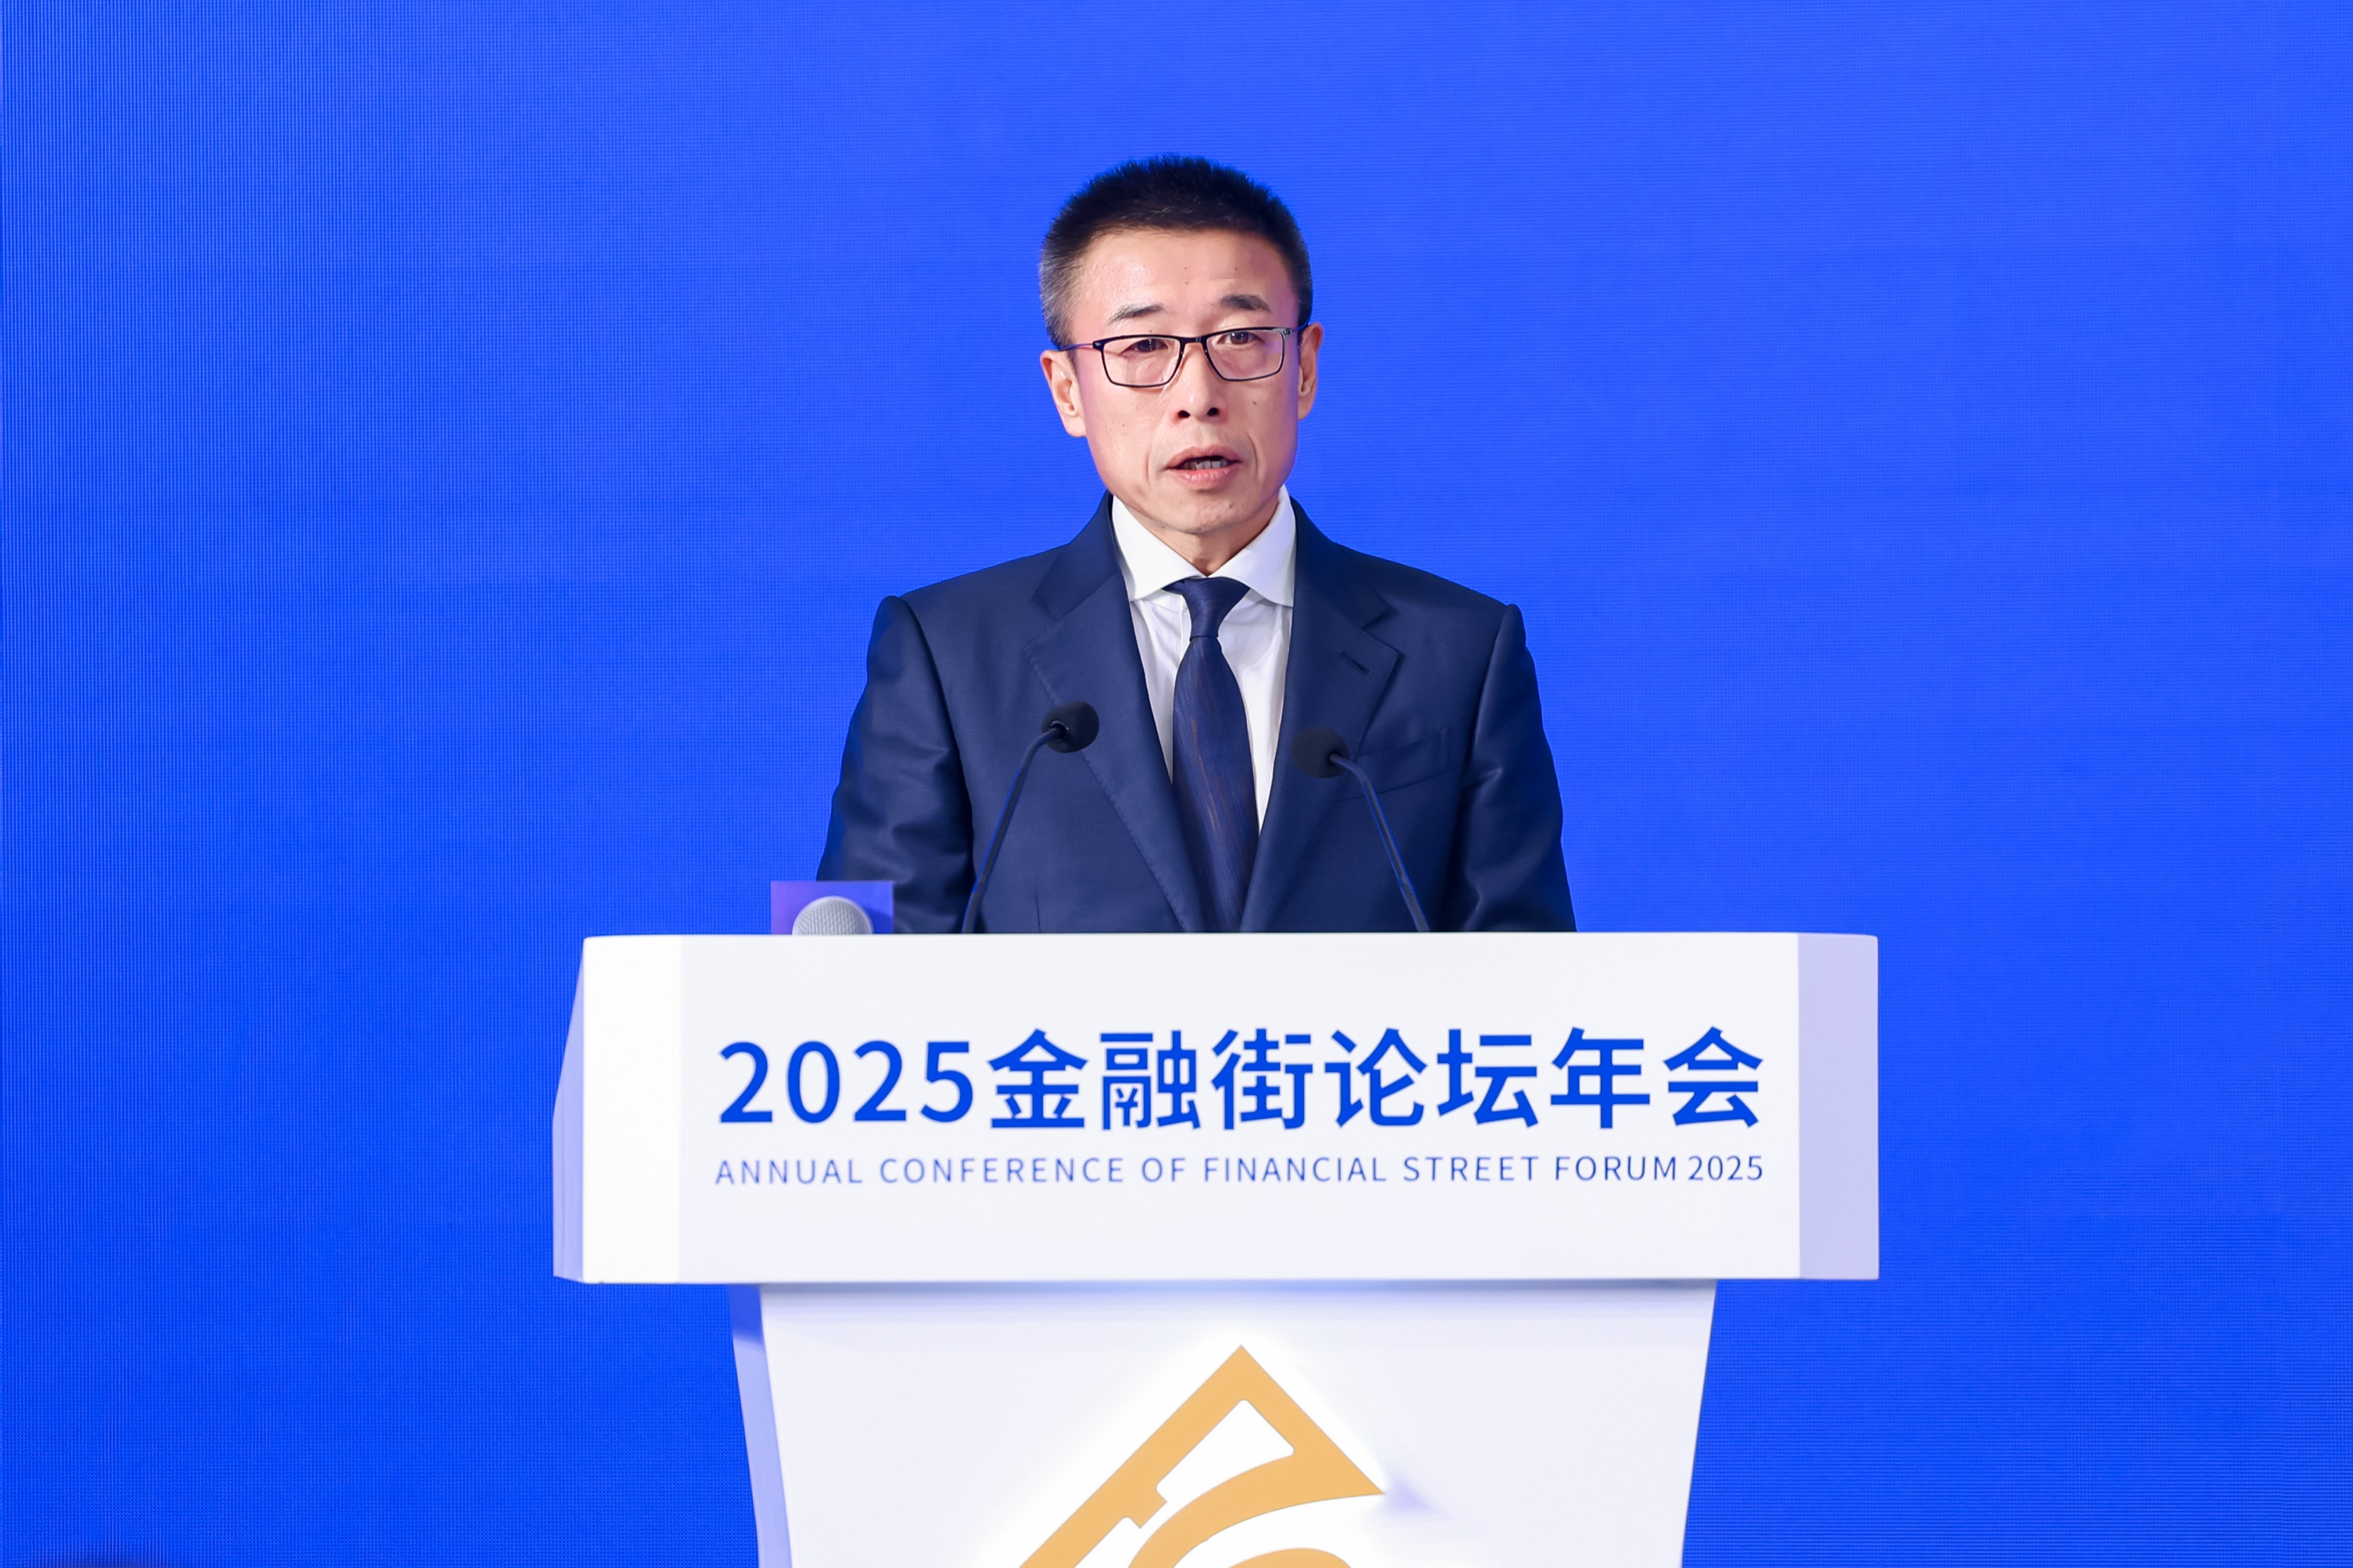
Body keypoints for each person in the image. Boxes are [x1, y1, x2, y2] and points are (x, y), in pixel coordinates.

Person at [818, 156, 1574, 934]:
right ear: (1067, 390)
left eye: (1241, 337)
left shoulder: (1462, 651)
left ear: (1305, 368)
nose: (1197, 396)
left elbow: (1530, 970)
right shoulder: (941, 653)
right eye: (1143, 346)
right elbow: (842, 963)